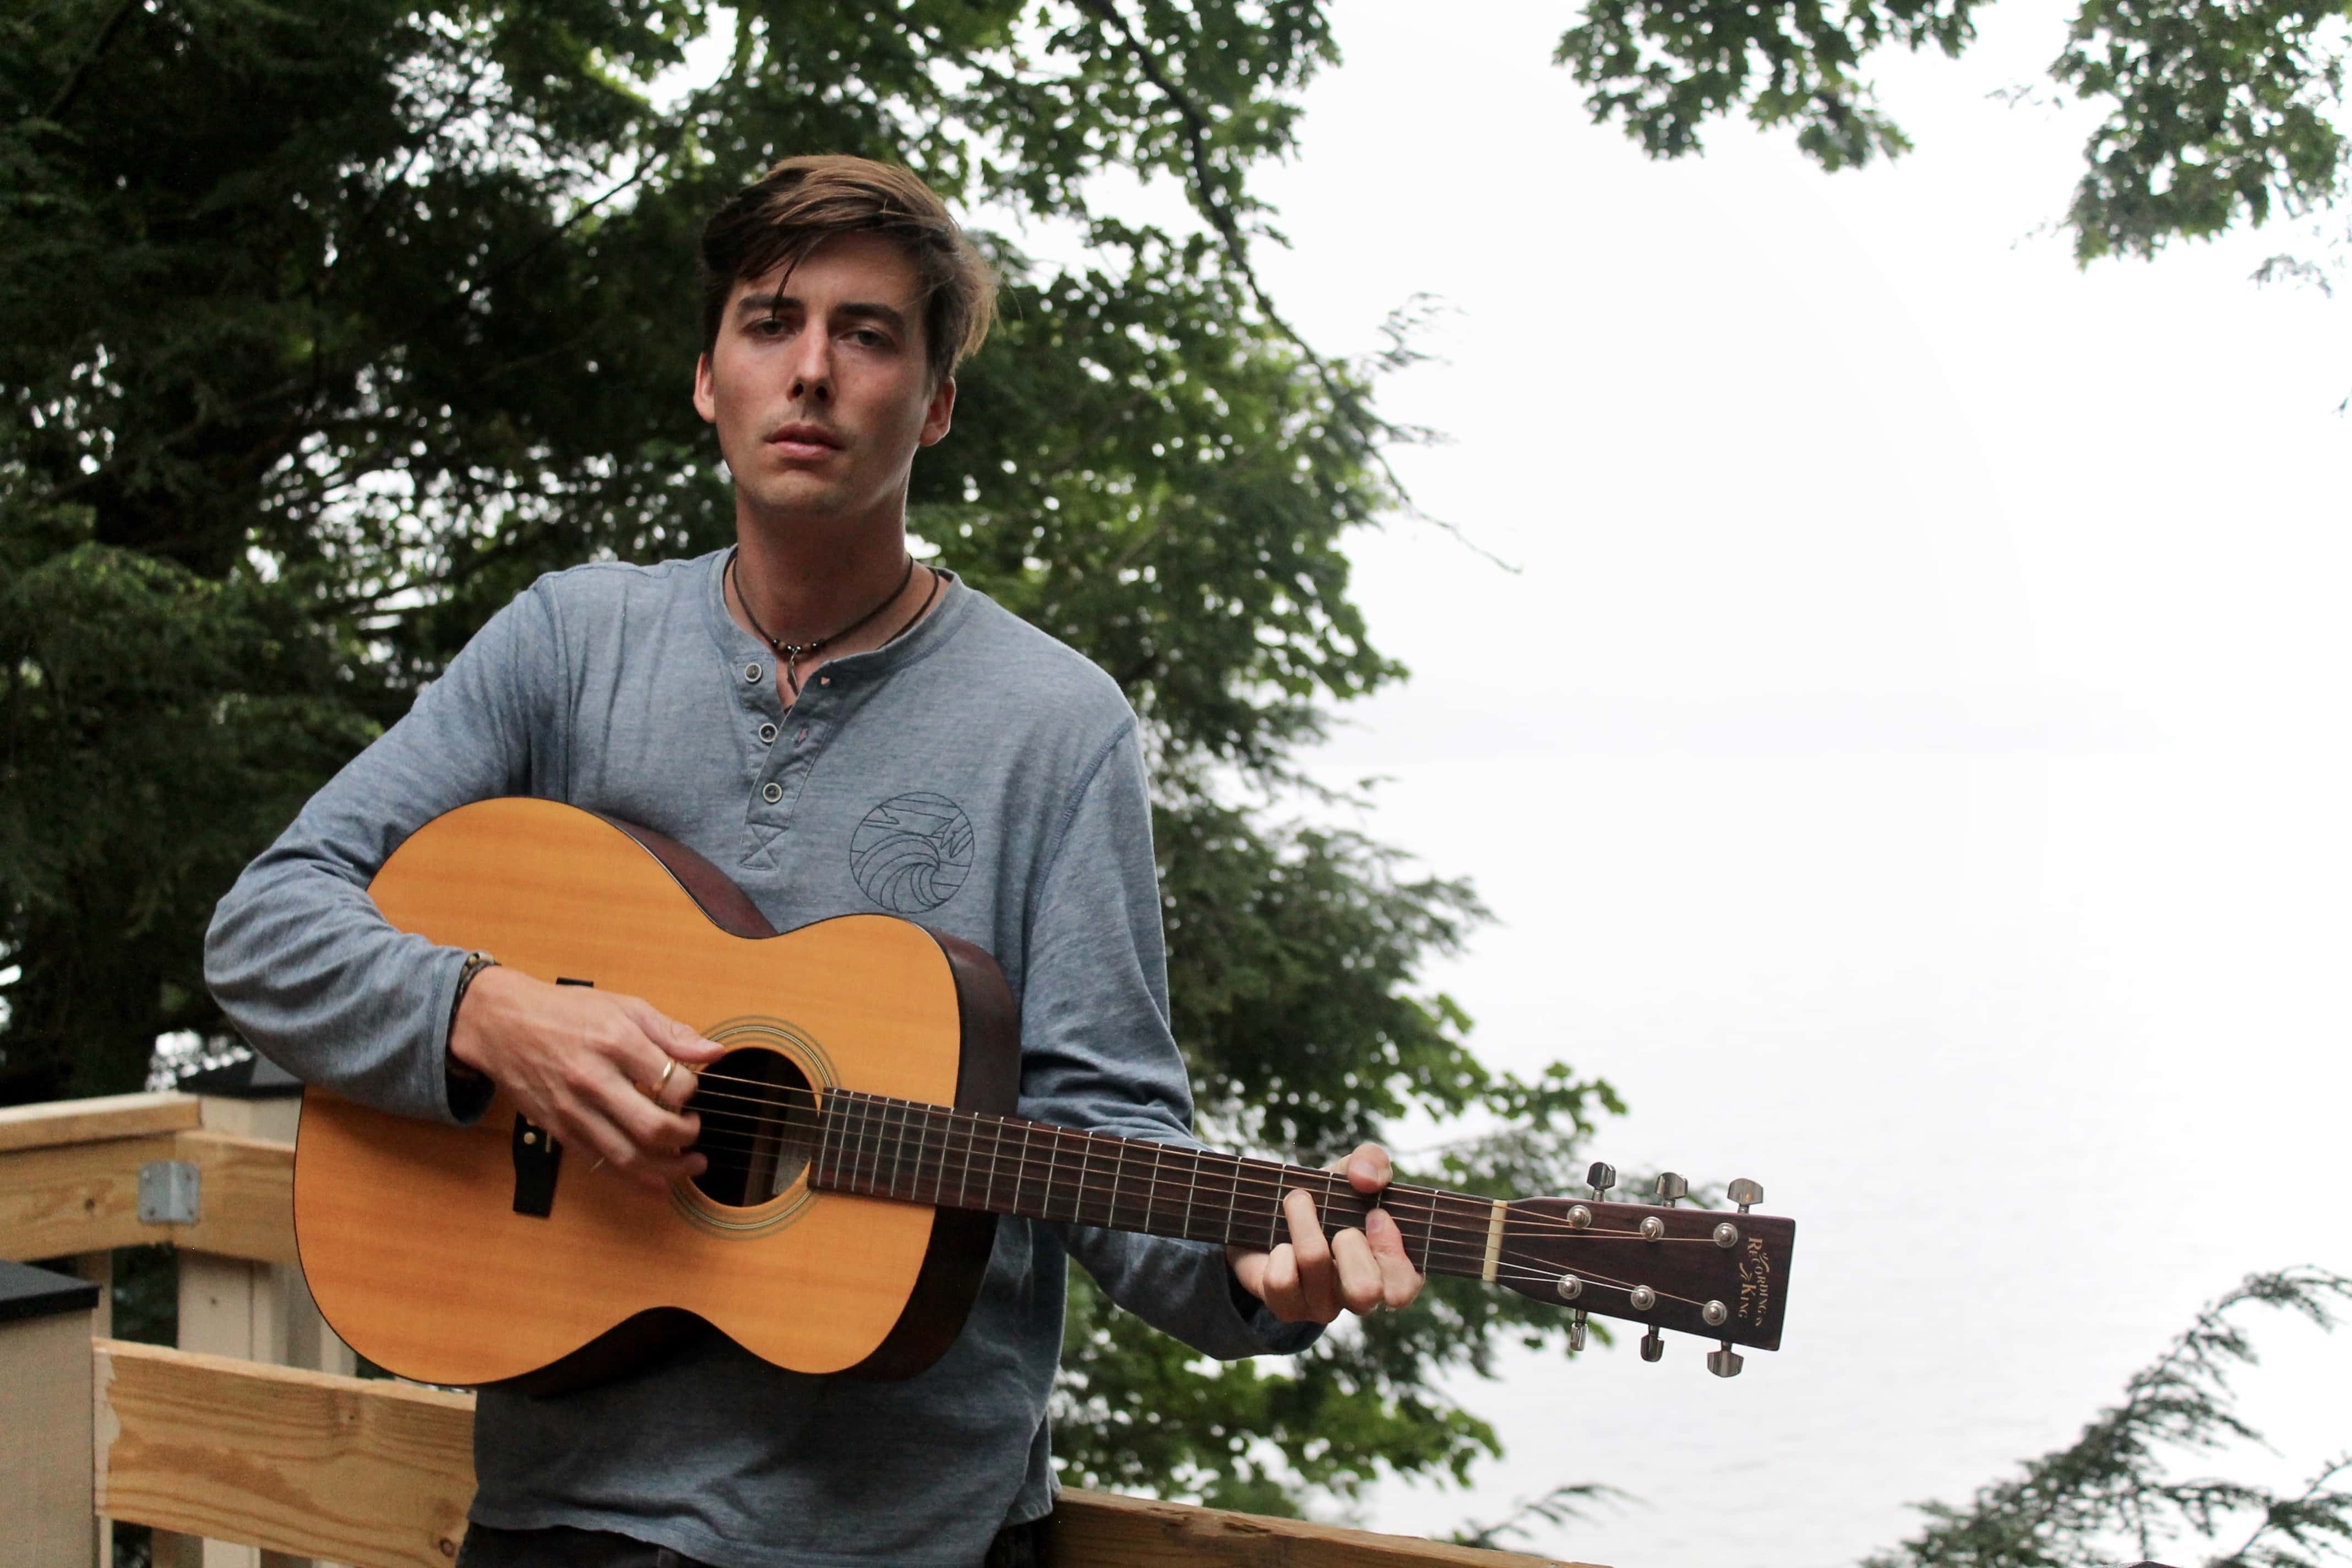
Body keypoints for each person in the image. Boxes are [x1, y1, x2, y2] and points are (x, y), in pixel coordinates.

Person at [205, 155, 1424, 1568]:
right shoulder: (565, 643)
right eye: (772, 321)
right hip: (562, 1515)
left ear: (936, 401)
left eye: (870, 333)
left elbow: (1109, 1142)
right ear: (707, 378)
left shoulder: (1056, 725)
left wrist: (1269, 1276)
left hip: (906, 1538)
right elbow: (265, 928)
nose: (813, 371)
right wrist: (494, 1016)